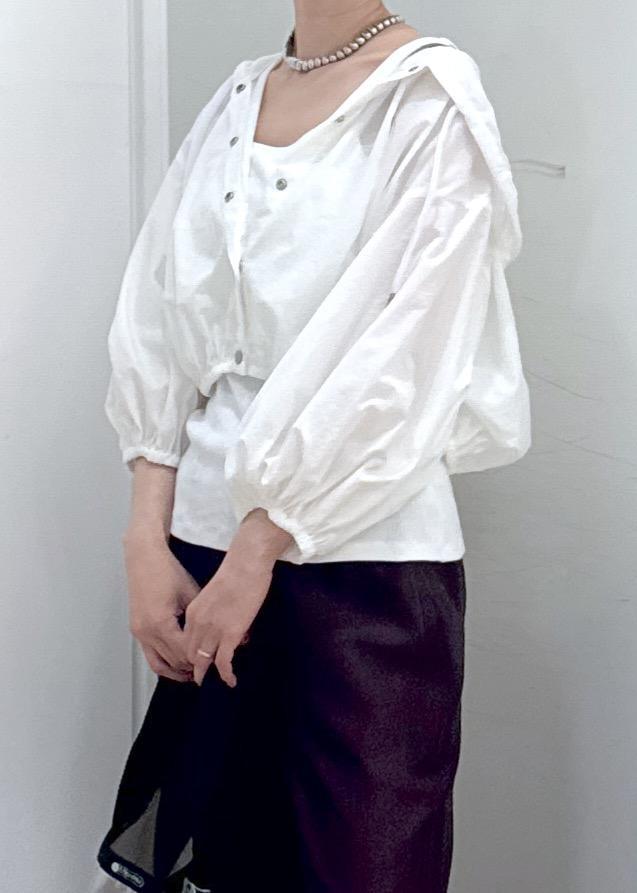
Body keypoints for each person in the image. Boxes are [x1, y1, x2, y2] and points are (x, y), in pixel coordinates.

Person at [95, 3, 531, 892]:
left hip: (360, 568)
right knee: (228, 858)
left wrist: (261, 543)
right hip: (202, 556)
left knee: (363, 862)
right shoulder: (238, 95)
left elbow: (412, 347)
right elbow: (158, 314)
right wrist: (145, 535)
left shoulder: (430, 99)